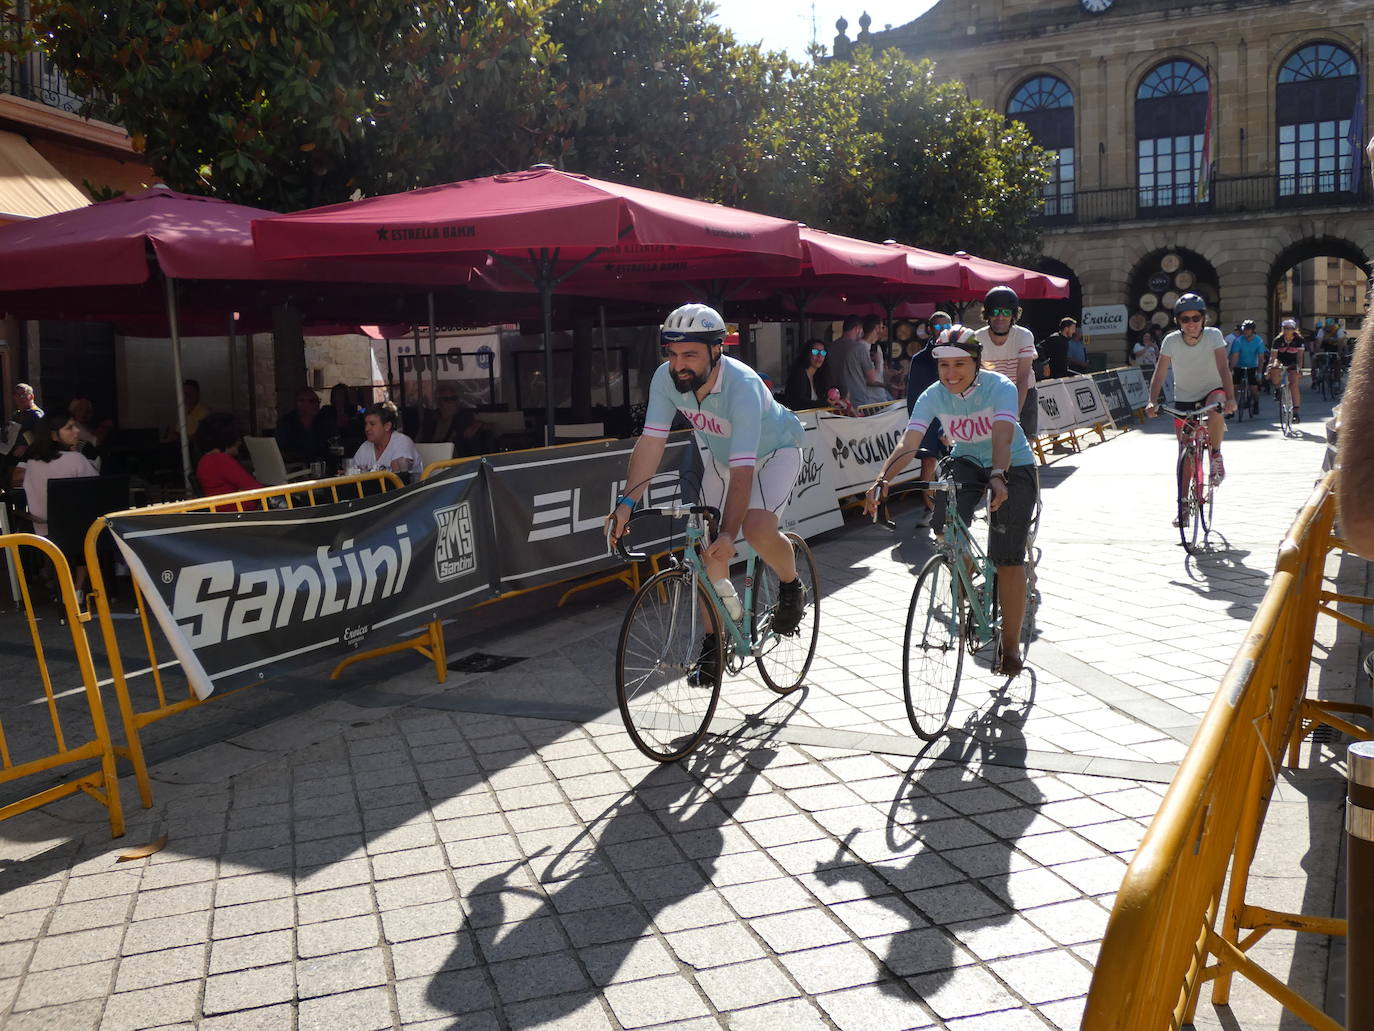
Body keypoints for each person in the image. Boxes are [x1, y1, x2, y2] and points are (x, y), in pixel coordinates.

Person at [608, 303, 806, 687]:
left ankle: (790, 584)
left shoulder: (743, 386)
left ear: (717, 351)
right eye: (673, 353)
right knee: (704, 549)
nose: (679, 363)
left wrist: (732, 533)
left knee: (757, 528)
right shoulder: (665, 379)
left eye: (691, 354)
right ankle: (716, 640)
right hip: (718, 456)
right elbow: (651, 443)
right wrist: (625, 505)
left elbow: (744, 470)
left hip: (774, 451)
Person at [865, 325, 1039, 675]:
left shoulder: (999, 388)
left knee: (1006, 556)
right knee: (943, 526)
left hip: (1012, 464)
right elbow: (909, 442)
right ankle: (968, 567)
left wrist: (999, 476)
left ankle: (1009, 647)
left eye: (959, 364)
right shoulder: (933, 394)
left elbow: (1003, 437)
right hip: (967, 460)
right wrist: (882, 479)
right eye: (944, 366)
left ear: (976, 363)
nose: (951, 373)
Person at [1145, 293, 1237, 490]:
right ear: (1178, 321)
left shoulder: (1213, 335)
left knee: (1217, 404)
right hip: (1185, 398)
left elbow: (1223, 368)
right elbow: (1159, 374)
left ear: (1204, 319)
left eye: (1196, 318)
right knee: (1185, 452)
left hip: (1212, 390)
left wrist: (1230, 398)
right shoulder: (1171, 341)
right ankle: (1184, 505)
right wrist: (1151, 401)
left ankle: (1216, 454)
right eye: (1185, 319)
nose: (1191, 323)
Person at [904, 310, 952, 528]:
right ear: (930, 330)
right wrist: (917, 423)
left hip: (954, 415)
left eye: (945, 327)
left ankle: (954, 508)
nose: (941, 331)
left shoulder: (958, 354)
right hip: (930, 418)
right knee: (928, 461)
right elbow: (914, 392)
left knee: (958, 463)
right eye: (938, 327)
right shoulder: (920, 359)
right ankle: (930, 508)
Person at [975, 285, 1039, 438]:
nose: (1000, 317)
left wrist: (1014, 415)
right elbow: (975, 378)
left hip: (1024, 392)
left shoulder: (1024, 336)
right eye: (995, 312)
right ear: (987, 315)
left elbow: (1022, 378)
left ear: (1013, 315)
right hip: (993, 394)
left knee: (1024, 446)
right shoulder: (977, 339)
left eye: (1006, 312)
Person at [195, 412, 264, 508]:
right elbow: (256, 489)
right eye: (237, 437)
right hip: (239, 513)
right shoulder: (220, 460)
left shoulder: (204, 460)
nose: (240, 442)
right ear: (227, 437)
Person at [420, 385, 494, 456]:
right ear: (438, 401)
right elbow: (420, 440)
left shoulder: (464, 416)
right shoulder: (430, 418)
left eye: (453, 398)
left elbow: (491, 427)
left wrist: (479, 425)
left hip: (455, 459)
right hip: (431, 456)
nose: (451, 402)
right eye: (446, 399)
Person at [829, 315, 887, 406]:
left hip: (836, 399)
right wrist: (877, 362)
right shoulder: (859, 347)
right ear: (857, 329)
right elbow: (872, 378)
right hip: (857, 399)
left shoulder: (832, 346)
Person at [352, 400, 420, 478]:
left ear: (387, 426)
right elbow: (353, 473)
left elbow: (401, 482)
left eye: (372, 424)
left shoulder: (402, 442)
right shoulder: (365, 446)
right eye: (366, 424)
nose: (367, 429)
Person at [1268, 317, 1306, 422]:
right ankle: (1277, 388)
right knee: (1274, 368)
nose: (1287, 330)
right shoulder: (1277, 340)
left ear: (1294, 329)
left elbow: (1300, 357)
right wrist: (1269, 368)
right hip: (1281, 360)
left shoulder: (1299, 340)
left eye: (1290, 328)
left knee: (1294, 384)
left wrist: (1300, 369)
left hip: (1293, 362)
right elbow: (1273, 356)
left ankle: (1296, 412)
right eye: (1285, 328)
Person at [1227, 319, 1267, 416]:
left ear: (1252, 330)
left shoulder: (1258, 341)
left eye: (1248, 330)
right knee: (1234, 386)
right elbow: (1235, 355)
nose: (1245, 332)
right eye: (1244, 330)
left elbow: (1261, 358)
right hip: (1239, 365)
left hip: (1253, 366)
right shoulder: (1238, 341)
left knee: (1253, 387)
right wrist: (1231, 369)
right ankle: (1232, 408)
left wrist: (1259, 373)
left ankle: (1256, 403)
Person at [320, 382, 365, 454]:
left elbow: (357, 432)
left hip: (349, 448)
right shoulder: (326, 411)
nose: (339, 398)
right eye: (336, 395)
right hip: (331, 448)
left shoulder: (354, 411)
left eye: (341, 395)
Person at [783, 340, 829, 410]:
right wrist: (826, 403)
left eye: (823, 353)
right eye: (815, 352)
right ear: (807, 354)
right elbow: (800, 402)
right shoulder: (799, 374)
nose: (819, 356)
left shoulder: (819, 376)